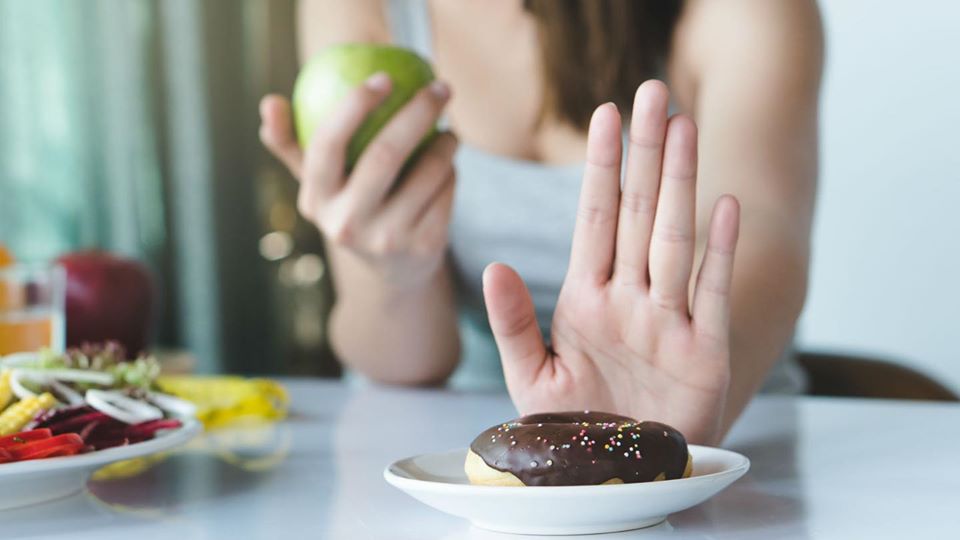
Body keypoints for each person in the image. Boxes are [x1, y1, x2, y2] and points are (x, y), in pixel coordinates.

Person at [259, 0, 822, 445]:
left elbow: (764, 245)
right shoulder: (362, 9)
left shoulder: (742, 11)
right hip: (465, 458)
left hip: (725, 441)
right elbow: (411, 367)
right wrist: (392, 272)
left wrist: (665, 419)